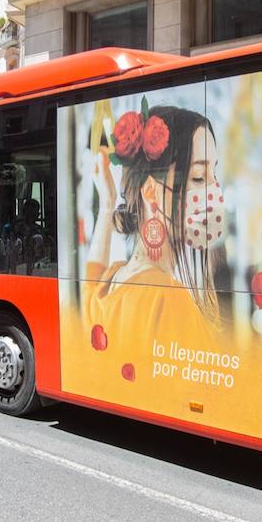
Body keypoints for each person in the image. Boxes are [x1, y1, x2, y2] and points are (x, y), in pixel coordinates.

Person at [84, 104, 225, 349]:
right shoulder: (168, 300)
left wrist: (107, 203)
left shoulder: (113, 280)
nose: (214, 189)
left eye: (214, 174)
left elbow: (89, 281)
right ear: (151, 192)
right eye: (199, 177)